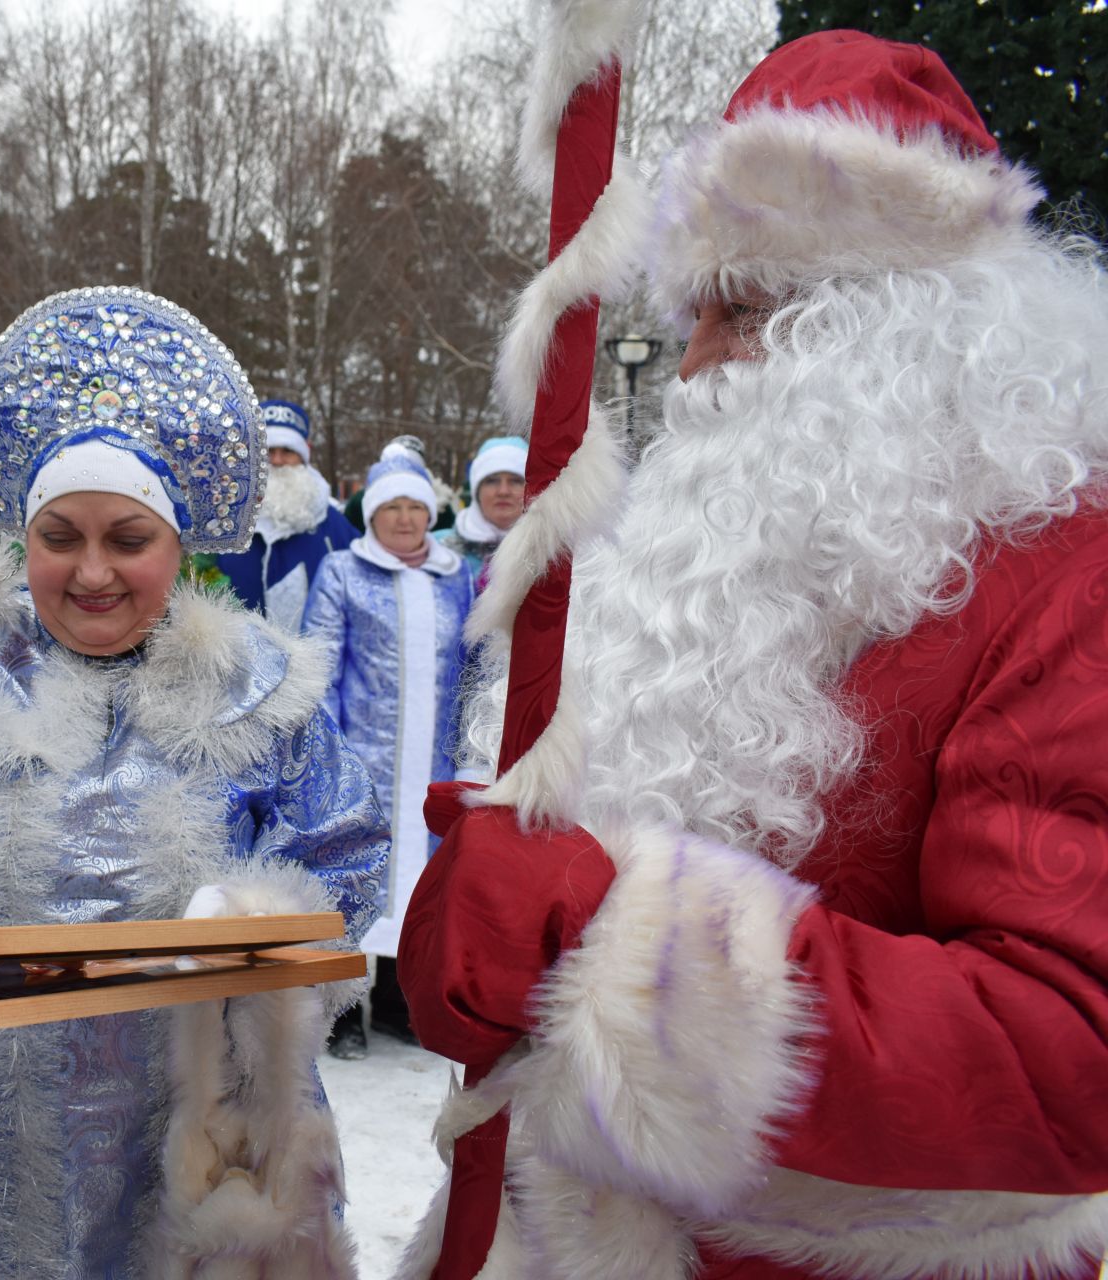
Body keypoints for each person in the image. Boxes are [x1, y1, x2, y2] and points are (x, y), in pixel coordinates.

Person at [399, 31, 1108, 1279]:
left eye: (742, 311)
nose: (697, 367)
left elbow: (1072, 1046)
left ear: (898, 331)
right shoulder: (733, 541)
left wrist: (605, 937)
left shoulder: (1070, 577)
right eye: (696, 313)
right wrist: (514, 883)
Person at [0, 287, 389, 1279]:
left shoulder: (256, 684)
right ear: (23, 533)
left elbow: (345, 852)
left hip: (190, 1111)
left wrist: (245, 914)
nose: (92, 571)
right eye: (60, 536)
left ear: (178, 542)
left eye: (128, 539)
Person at [304, 439, 475, 1060]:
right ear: (370, 514)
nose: (404, 518)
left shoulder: (456, 579)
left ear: (431, 513)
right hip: (364, 763)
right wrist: (330, 756)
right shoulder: (343, 572)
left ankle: (402, 1008)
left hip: (433, 765)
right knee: (356, 880)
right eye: (391, 507)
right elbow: (321, 665)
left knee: (422, 886)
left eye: (414, 506)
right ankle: (345, 1010)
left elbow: (473, 664)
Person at [209, 399, 358, 631]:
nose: (276, 461)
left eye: (287, 451)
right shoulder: (222, 521)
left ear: (303, 456)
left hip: (315, 661)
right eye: (268, 451)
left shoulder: (335, 526)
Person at [442, 435, 526, 583]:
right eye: (492, 481)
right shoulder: (437, 549)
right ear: (476, 489)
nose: (503, 491)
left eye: (515, 480)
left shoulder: (557, 555)